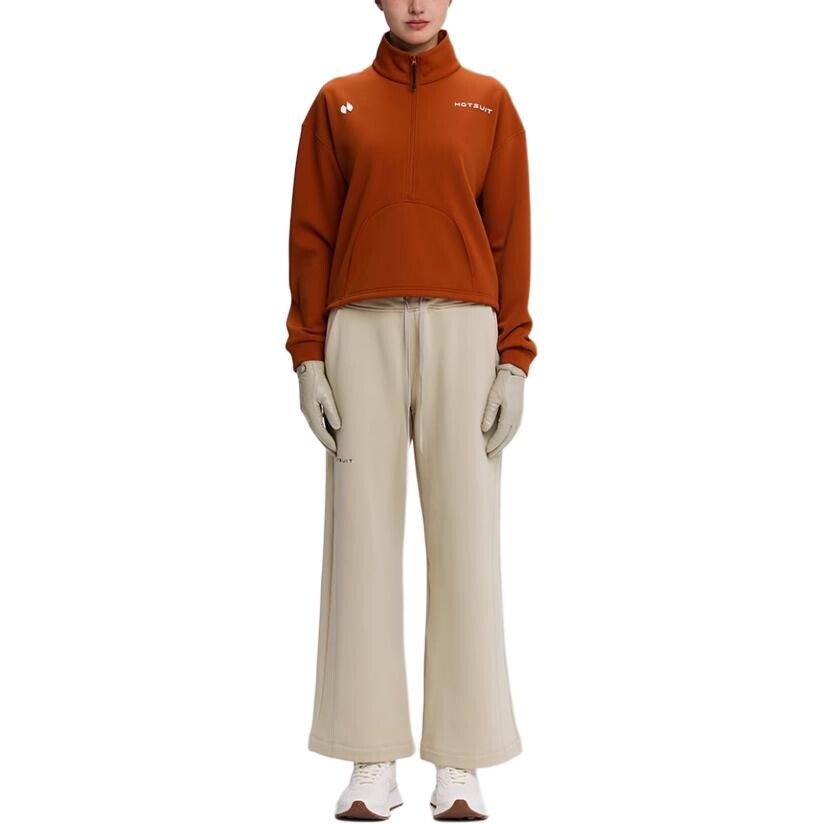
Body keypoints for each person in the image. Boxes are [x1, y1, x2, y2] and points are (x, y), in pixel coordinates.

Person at [285, 1, 537, 819]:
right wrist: (308, 355)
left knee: (467, 540)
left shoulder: (490, 102)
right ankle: (372, 759)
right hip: (359, 331)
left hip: (466, 331)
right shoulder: (338, 102)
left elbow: (510, 236)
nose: (416, 4)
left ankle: (461, 760)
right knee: (359, 539)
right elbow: (312, 235)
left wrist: (514, 360)